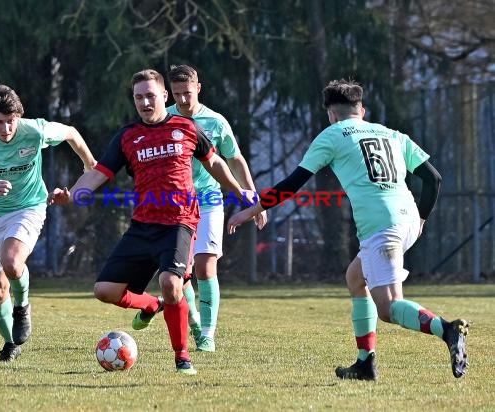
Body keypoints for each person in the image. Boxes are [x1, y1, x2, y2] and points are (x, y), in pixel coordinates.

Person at [227, 79, 469, 380]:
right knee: (356, 278)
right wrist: (420, 219)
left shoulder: (332, 135)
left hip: (382, 226)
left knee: (389, 308)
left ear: (331, 113)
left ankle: (447, 329)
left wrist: (252, 210)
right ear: (362, 110)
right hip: (406, 218)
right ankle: (365, 363)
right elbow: (433, 179)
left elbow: (291, 185)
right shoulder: (391, 133)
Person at [48, 69, 254, 375]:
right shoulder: (128, 137)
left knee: (171, 283)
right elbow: (98, 173)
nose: (145, 102)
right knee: (104, 291)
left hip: (180, 222)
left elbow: (215, 162)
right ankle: (149, 305)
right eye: (139, 97)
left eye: (150, 95)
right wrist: (72, 194)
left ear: (163, 96)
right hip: (143, 226)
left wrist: (240, 192)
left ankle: (182, 357)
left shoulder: (187, 127)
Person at [0, 84, 97, 362]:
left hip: (30, 206)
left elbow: (71, 133)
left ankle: (22, 307)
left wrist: (90, 165)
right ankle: (11, 343)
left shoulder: (35, 130)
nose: (6, 129)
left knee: (12, 261)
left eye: (11, 121)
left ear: (19, 117)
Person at [166, 64, 267, 352]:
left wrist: (253, 197)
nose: (183, 100)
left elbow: (234, 159)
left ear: (198, 87)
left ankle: (208, 334)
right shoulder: (166, 118)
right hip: (175, 203)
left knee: (206, 266)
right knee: (181, 272)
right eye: (177, 94)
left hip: (209, 199)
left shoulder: (215, 122)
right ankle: (195, 324)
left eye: (187, 92)